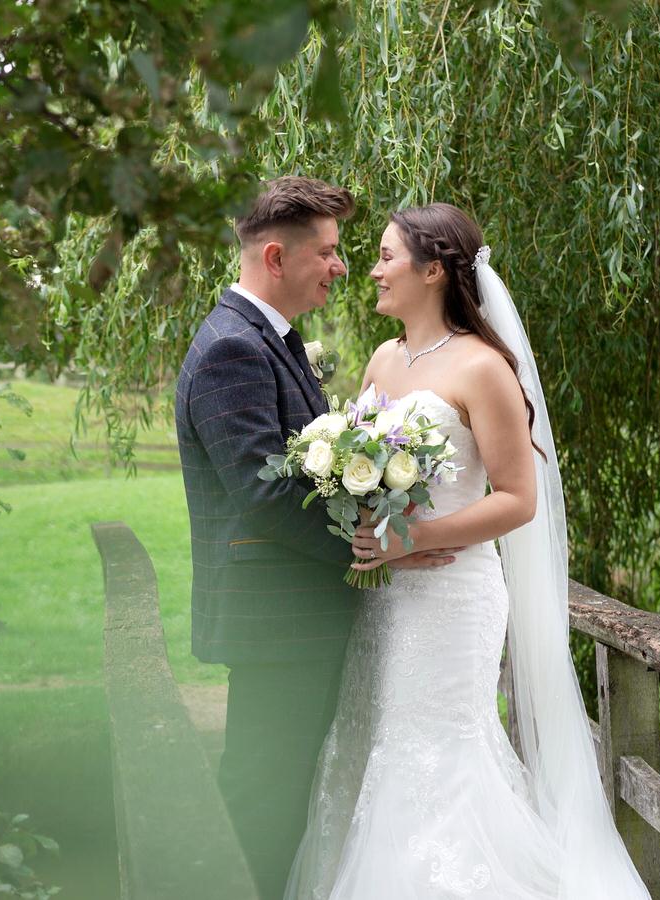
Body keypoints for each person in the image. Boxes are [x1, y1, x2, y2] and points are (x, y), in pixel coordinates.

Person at [284, 204, 653, 899]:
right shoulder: (385, 359)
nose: (373, 269)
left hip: (453, 599)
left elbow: (518, 498)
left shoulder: (483, 369)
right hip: (385, 600)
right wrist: (362, 529)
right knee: (373, 743)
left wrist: (410, 538)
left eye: (387, 256)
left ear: (433, 270)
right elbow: (363, 482)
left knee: (435, 756)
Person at [174, 177, 455, 899]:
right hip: (279, 624)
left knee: (285, 800)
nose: (339, 266)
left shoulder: (268, 341)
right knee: (263, 806)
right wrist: (382, 547)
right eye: (327, 252)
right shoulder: (232, 350)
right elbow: (266, 497)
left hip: (293, 620)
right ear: (276, 256)